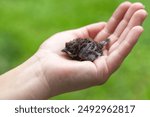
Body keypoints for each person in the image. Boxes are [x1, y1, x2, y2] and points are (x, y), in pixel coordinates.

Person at [0, 2, 148, 99]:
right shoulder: (73, 49)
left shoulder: (85, 50)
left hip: (94, 47)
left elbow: (90, 50)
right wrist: (41, 69)